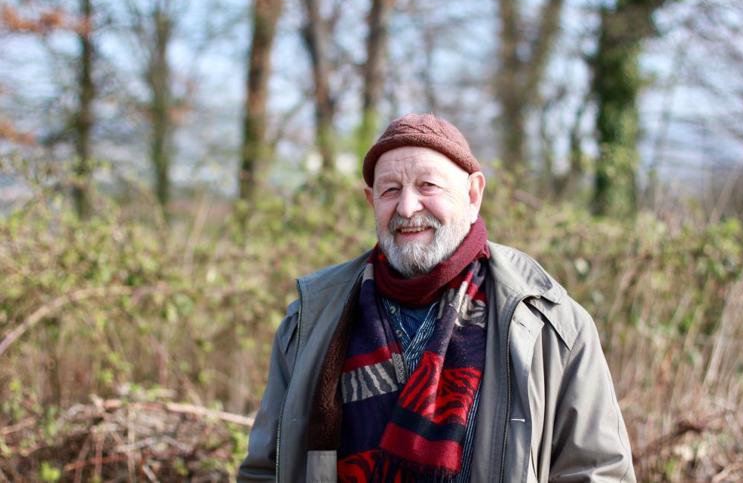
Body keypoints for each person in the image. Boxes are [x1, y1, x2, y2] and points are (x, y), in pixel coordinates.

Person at [237, 113, 635, 482]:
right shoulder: (311, 319)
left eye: (427, 185)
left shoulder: (549, 323)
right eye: (390, 190)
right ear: (370, 201)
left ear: (473, 193)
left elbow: (597, 472)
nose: (407, 208)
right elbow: (264, 470)